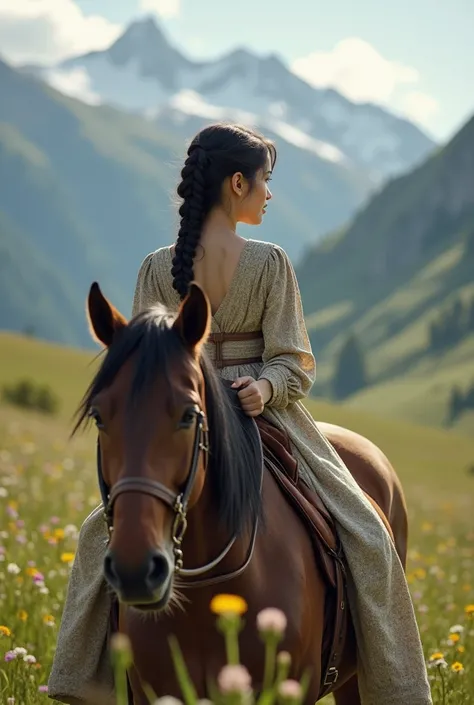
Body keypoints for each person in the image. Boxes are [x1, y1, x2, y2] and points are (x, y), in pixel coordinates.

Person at [48, 123, 432, 705]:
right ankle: (84, 681)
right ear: (236, 183)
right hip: (193, 415)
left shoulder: (219, 264)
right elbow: (153, 365)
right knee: (99, 532)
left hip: (262, 415)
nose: (269, 194)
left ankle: (391, 685)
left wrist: (266, 387)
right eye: (264, 181)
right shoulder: (222, 265)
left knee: (367, 525)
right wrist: (268, 382)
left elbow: (289, 365)